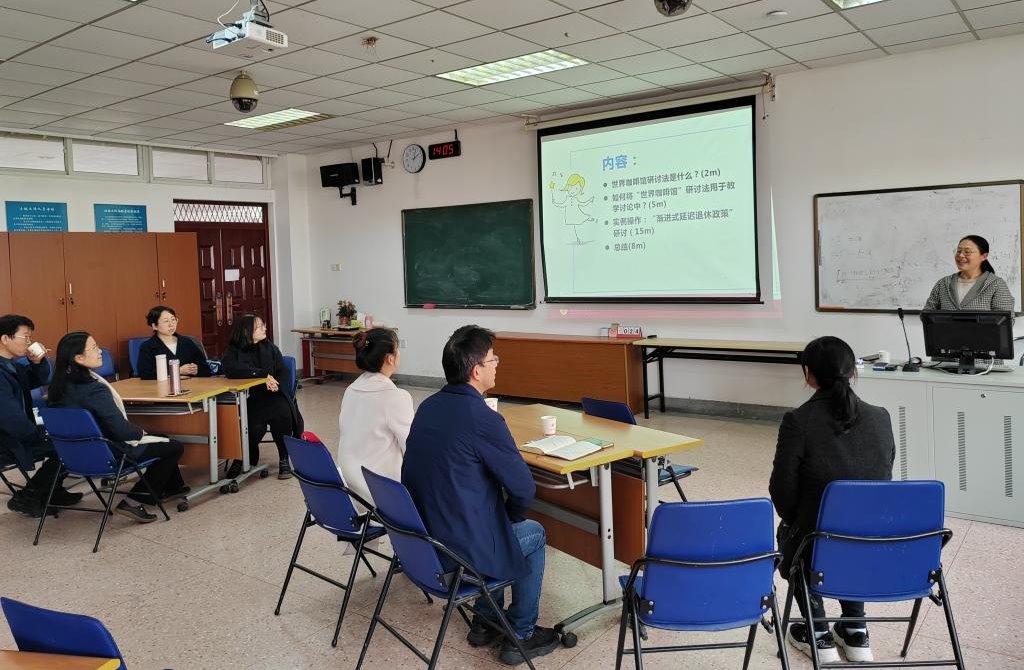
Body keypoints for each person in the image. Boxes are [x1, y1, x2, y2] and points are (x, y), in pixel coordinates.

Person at [402, 325, 558, 666]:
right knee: (533, 533)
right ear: (476, 371)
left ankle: (485, 623)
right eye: (493, 359)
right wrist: (510, 518)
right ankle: (521, 633)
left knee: (490, 523)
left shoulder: (428, 406)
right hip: (457, 554)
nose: (497, 363)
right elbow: (523, 489)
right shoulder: (484, 419)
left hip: (425, 546)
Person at [769, 336, 895, 664]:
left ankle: (818, 632)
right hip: (870, 540)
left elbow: (781, 491)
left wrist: (799, 520)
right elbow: (883, 480)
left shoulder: (798, 421)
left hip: (815, 541)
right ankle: (855, 629)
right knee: (852, 529)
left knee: (795, 533)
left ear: (808, 374)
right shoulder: (881, 417)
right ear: (853, 371)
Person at [48, 331, 188, 523]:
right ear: (79, 358)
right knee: (174, 446)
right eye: (94, 348)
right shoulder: (94, 389)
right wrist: (140, 432)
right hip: (109, 454)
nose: (100, 352)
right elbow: (121, 431)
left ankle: (173, 487)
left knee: (162, 437)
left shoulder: (57, 388)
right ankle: (134, 501)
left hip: (74, 456)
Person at [0, 315, 83, 517]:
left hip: (16, 432)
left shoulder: (12, 365)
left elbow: (41, 379)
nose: (29, 342)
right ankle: (29, 496)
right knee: (68, 444)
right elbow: (9, 417)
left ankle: (53, 491)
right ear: (5, 339)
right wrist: (39, 434)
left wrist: (37, 362)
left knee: (69, 438)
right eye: (25, 337)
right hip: (6, 439)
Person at [221, 314, 302, 480]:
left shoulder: (269, 347)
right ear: (246, 331)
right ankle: (241, 457)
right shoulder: (234, 350)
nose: (265, 328)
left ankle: (284, 458)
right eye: (259, 327)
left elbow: (282, 371)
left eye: (263, 325)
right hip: (250, 397)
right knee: (254, 425)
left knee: (282, 413)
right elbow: (232, 370)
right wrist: (262, 375)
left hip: (273, 395)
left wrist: (276, 385)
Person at [337, 328, 412, 505]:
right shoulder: (396, 397)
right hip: (377, 495)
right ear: (390, 358)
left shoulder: (350, 390)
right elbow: (412, 449)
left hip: (346, 492)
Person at [923, 235, 1015, 312]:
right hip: (947, 330)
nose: (961, 255)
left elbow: (1005, 320)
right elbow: (927, 314)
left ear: (984, 256)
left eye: (967, 252)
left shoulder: (996, 284)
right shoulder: (943, 283)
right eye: (959, 251)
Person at [137, 305, 211, 380]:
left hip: (191, 385)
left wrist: (196, 370)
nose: (171, 324)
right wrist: (177, 371)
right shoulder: (147, 347)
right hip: (162, 386)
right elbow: (145, 374)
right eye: (166, 321)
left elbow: (206, 369)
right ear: (155, 326)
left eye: (173, 320)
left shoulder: (187, 342)